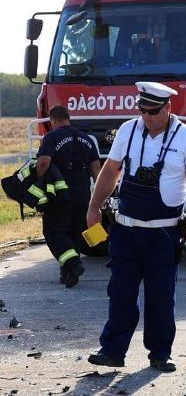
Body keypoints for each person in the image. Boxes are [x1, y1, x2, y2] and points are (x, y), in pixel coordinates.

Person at [86, 82, 186, 372]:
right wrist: (94, 206)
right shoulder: (128, 131)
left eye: (153, 111)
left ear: (168, 108)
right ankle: (112, 350)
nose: (147, 117)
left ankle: (160, 354)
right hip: (126, 231)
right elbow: (110, 171)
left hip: (163, 234)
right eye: (143, 111)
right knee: (120, 293)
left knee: (160, 298)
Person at [36, 105, 101, 288]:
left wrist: (38, 182)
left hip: (60, 192)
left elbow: (43, 163)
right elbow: (96, 168)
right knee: (74, 232)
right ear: (68, 118)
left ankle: (73, 264)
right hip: (83, 191)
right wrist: (100, 194)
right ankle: (69, 274)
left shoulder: (52, 136)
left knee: (54, 232)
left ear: (53, 120)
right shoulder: (86, 138)